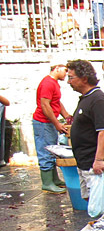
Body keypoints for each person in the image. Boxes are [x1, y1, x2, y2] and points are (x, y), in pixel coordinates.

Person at [65, 60, 104, 208]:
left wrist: (99, 160)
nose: (69, 82)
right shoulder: (86, 98)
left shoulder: (98, 100)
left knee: (100, 202)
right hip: (84, 161)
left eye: (71, 77)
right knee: (91, 198)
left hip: (93, 161)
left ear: (84, 79)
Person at [33, 61, 68, 193]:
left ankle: (54, 179)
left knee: (52, 150)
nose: (67, 74)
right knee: (45, 150)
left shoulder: (54, 83)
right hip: (43, 122)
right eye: (65, 70)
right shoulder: (48, 83)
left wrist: (66, 115)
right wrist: (56, 123)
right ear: (57, 68)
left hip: (48, 122)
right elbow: (45, 105)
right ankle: (47, 183)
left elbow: (56, 101)